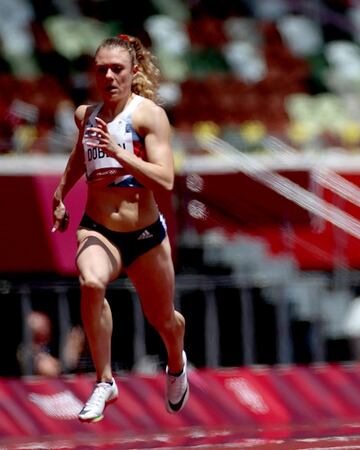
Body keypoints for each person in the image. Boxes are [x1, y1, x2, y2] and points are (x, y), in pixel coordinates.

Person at [51, 34, 189, 423]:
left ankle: (176, 363)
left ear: (134, 73)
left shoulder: (148, 116)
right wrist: (61, 193)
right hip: (98, 229)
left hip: (144, 236)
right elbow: (81, 154)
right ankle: (104, 380)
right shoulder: (86, 115)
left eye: (117, 69)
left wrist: (119, 154)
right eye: (102, 70)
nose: (109, 76)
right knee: (92, 283)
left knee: (164, 320)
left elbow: (165, 179)